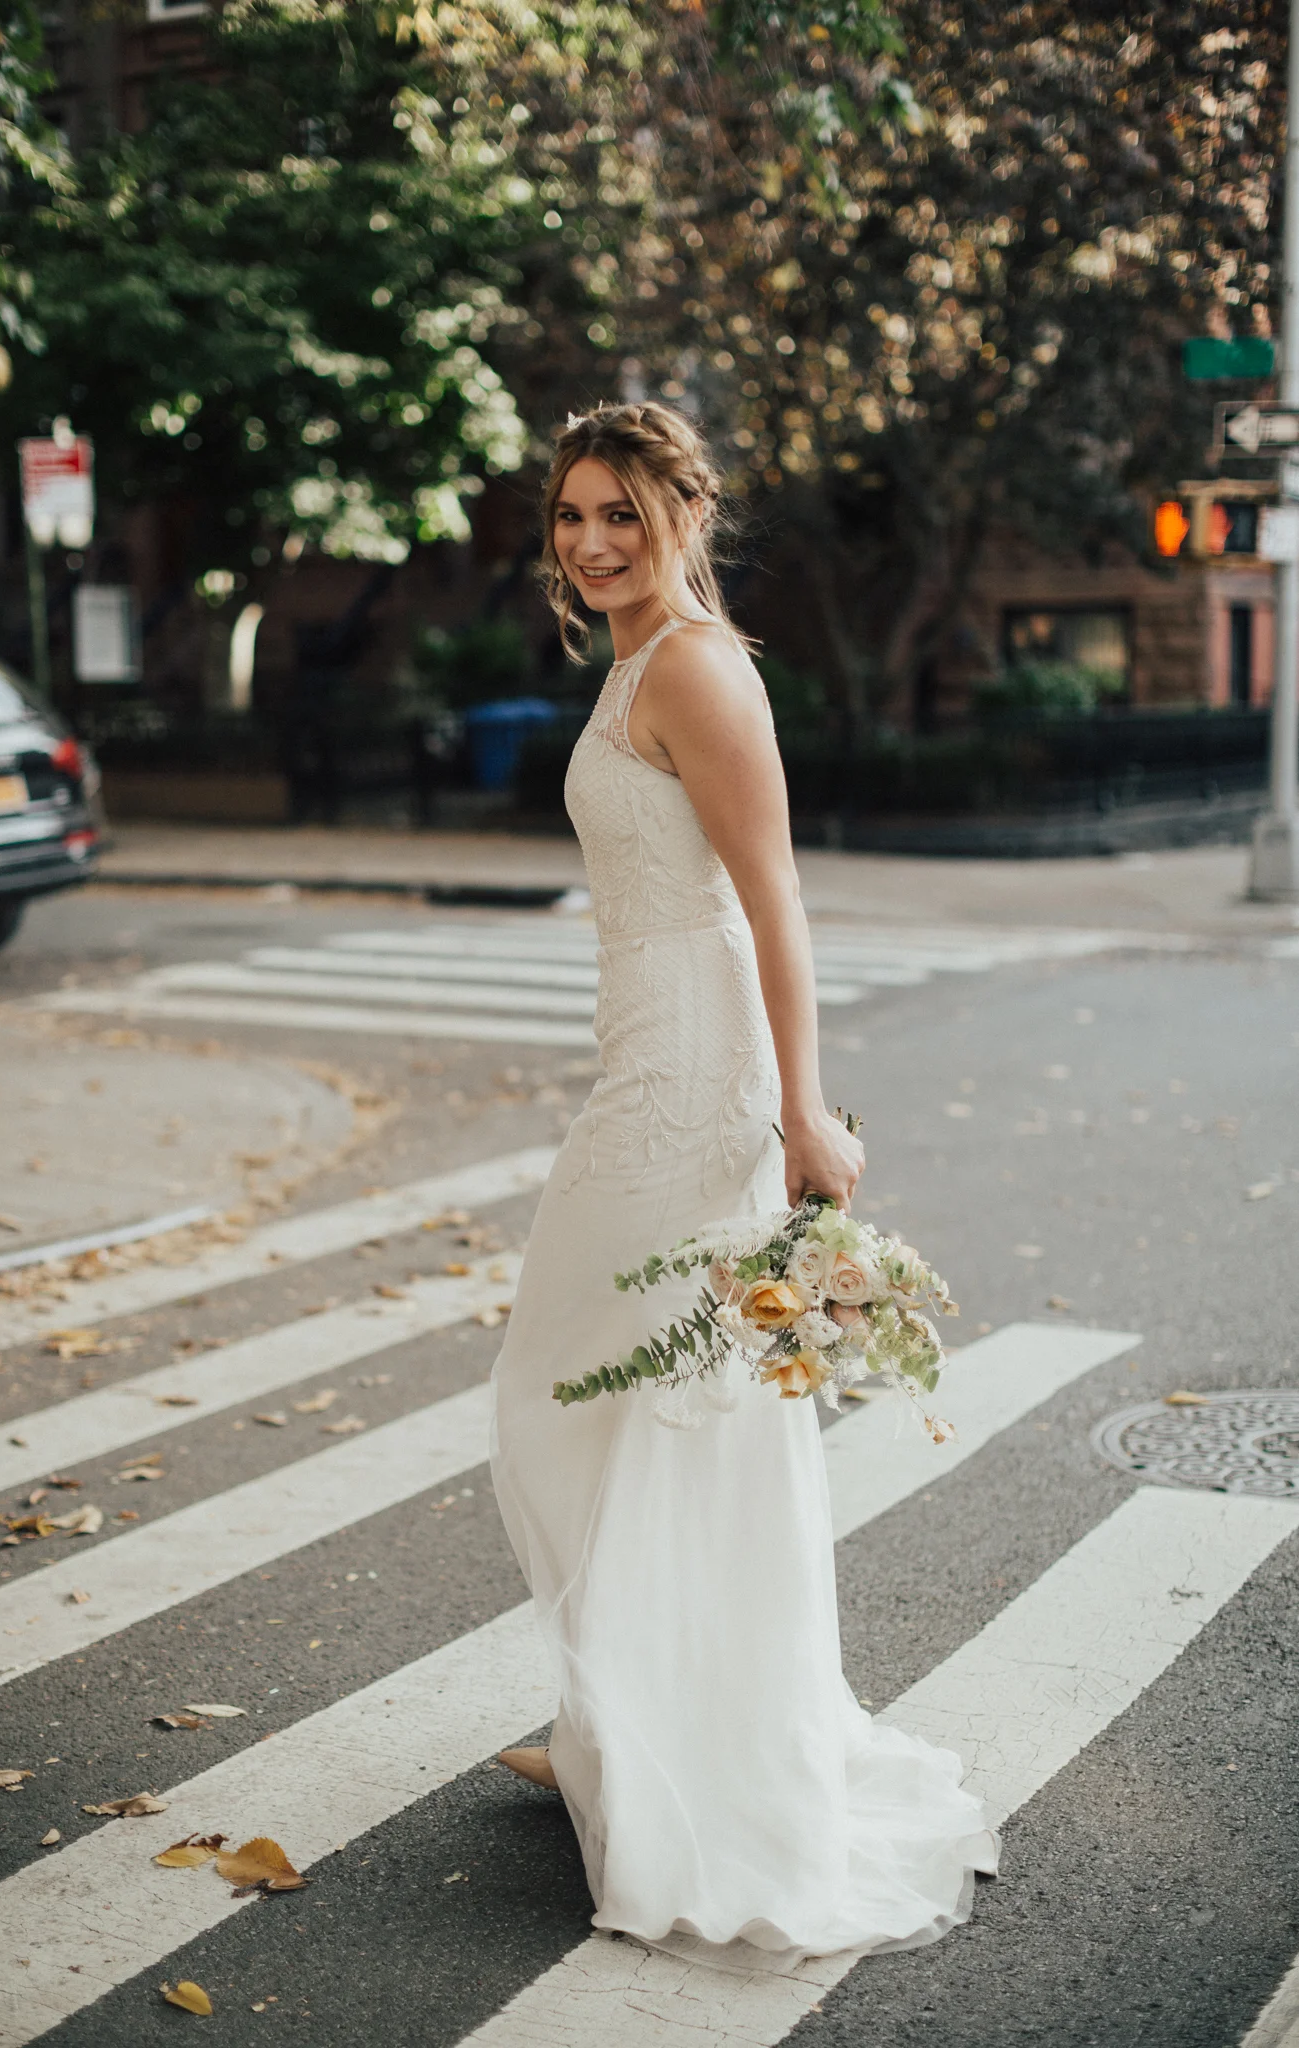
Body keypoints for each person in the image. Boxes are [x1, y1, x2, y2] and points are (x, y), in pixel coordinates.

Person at [488, 400, 997, 1964]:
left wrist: (804, 1111)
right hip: (645, 1056)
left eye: (620, 516)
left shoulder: (699, 666)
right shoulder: (636, 665)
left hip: (701, 1080)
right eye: (573, 515)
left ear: (679, 520)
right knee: (614, 1396)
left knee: (605, 1393)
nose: (590, 543)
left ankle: (684, 1746)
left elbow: (773, 902)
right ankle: (619, 1712)